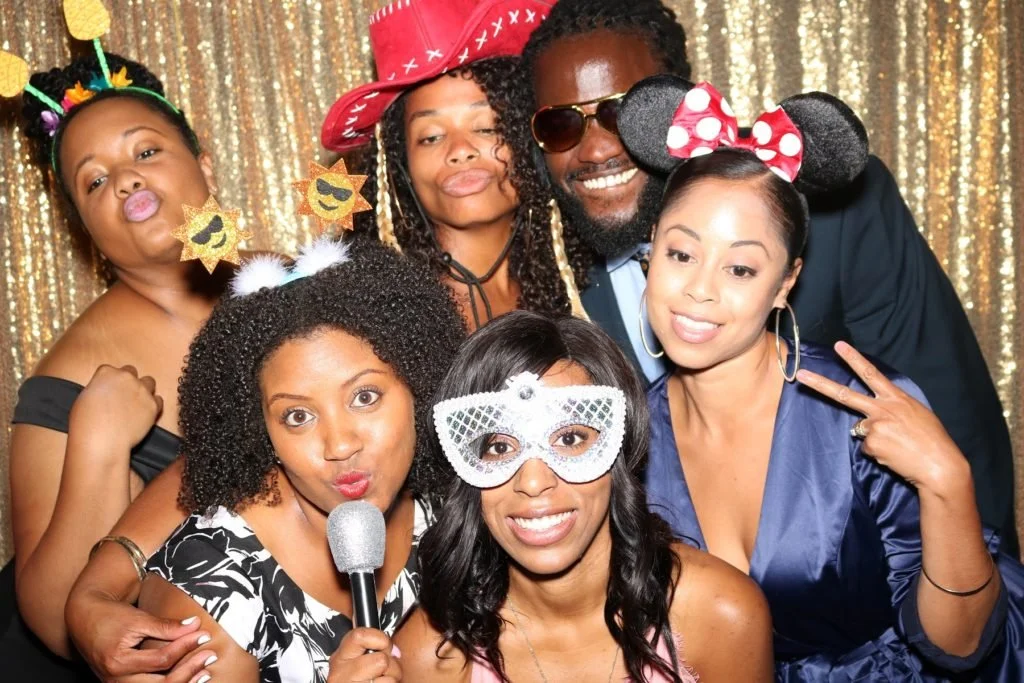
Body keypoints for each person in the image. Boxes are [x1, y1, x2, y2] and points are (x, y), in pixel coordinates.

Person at [519, 0, 1018, 554]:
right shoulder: (550, 258)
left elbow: (950, 416)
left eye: (617, 113)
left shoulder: (830, 203)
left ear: (671, 111)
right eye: (559, 124)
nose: (593, 150)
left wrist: (981, 585)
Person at [620, 74, 1024, 680]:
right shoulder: (631, 441)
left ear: (786, 283)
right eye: (682, 254)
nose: (699, 290)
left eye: (740, 268)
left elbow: (961, 647)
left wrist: (948, 481)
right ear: (650, 250)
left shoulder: (859, 413)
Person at [1, 47, 256, 678]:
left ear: (202, 164)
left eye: (145, 152)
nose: (125, 179)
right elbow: (54, 620)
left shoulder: (294, 289)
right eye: (94, 179)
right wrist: (99, 445)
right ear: (82, 223)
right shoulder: (62, 382)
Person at [131, 237, 464, 681]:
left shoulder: (455, 506)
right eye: (298, 416)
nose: (340, 445)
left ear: (419, 387)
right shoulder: (208, 593)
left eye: (365, 397)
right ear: (259, 429)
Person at [397, 311, 774, 682]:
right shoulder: (429, 656)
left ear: (618, 450)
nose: (532, 482)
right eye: (499, 447)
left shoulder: (721, 615)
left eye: (569, 439)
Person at [323, 0, 589, 331]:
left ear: (530, 140)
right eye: (431, 137)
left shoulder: (588, 289)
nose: (460, 151)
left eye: (487, 128)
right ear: (399, 166)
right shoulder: (363, 312)